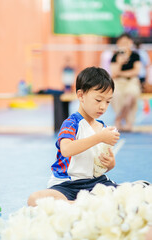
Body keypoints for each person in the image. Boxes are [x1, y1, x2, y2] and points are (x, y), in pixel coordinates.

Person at [28, 67, 120, 206]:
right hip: (67, 185)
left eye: (107, 101)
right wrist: (100, 137)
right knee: (35, 199)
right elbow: (66, 150)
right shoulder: (71, 123)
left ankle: (79, 205)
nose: (103, 107)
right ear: (81, 95)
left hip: (95, 183)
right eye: (98, 100)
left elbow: (99, 166)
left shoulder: (102, 128)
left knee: (139, 191)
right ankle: (82, 204)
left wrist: (110, 163)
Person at [110, 33, 141, 132]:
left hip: (132, 82)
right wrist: (120, 63)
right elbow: (114, 74)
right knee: (116, 95)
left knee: (130, 96)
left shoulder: (135, 55)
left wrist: (121, 73)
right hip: (118, 82)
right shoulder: (115, 56)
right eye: (122, 42)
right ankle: (123, 122)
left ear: (130, 43)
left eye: (126, 42)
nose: (124, 44)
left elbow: (136, 71)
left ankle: (121, 119)